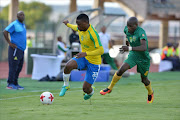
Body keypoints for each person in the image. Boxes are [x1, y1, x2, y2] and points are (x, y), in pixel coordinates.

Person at [100, 17, 154, 104]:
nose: (128, 28)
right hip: (133, 55)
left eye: (131, 26)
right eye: (127, 26)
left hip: (143, 58)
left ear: (136, 25)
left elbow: (144, 47)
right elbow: (127, 35)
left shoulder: (141, 32)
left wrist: (128, 48)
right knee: (121, 69)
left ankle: (150, 92)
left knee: (144, 80)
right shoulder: (127, 29)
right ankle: (109, 88)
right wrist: (127, 43)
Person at [59, 13, 104, 100]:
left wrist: (86, 53)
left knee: (86, 89)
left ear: (85, 23)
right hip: (84, 57)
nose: (77, 26)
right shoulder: (80, 28)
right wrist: (67, 24)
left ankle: (91, 92)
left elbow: (101, 50)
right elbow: (74, 27)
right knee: (68, 66)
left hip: (94, 63)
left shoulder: (93, 34)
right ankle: (66, 85)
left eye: (79, 24)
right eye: (77, 24)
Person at [3, 11, 26, 90]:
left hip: (21, 50)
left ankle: (15, 83)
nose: (22, 16)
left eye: (23, 15)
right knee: (13, 66)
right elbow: (5, 31)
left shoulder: (23, 25)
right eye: (20, 15)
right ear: (17, 16)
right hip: (15, 49)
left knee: (19, 67)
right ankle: (10, 84)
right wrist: (10, 43)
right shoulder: (14, 24)